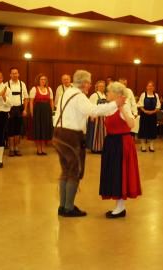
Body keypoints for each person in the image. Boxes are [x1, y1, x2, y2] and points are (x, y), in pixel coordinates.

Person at [53, 70, 125, 218]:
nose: (90, 85)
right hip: (71, 136)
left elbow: (83, 111)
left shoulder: (67, 92)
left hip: (58, 134)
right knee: (75, 171)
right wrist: (115, 104)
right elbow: (94, 109)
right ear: (84, 83)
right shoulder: (79, 96)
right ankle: (68, 208)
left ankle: (63, 206)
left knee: (66, 170)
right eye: (89, 82)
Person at [99, 82, 141, 219]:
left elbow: (132, 124)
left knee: (120, 174)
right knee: (114, 174)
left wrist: (122, 109)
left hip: (122, 143)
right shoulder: (109, 107)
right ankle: (119, 206)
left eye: (109, 92)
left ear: (116, 94)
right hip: (112, 143)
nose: (106, 94)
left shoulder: (125, 107)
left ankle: (120, 207)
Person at [29, 74, 54, 155]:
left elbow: (51, 101)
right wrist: (32, 112)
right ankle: (38, 149)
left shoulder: (49, 89)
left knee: (45, 129)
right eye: (41, 79)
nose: (43, 81)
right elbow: (31, 102)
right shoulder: (34, 89)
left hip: (47, 111)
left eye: (44, 79)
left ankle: (43, 148)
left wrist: (52, 111)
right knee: (38, 129)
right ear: (38, 80)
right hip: (37, 111)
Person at [7, 67, 28, 157]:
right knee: (10, 130)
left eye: (16, 73)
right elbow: (4, 98)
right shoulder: (6, 84)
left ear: (18, 74)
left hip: (20, 109)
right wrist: (6, 110)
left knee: (18, 130)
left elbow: (26, 97)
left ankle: (16, 148)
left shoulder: (22, 84)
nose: (15, 75)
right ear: (10, 74)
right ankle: (11, 148)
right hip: (10, 109)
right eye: (13, 73)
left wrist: (25, 109)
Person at [137, 81, 161, 152]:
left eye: (151, 86)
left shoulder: (156, 95)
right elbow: (140, 105)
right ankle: (143, 146)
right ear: (146, 87)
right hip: (144, 115)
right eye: (148, 86)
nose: (150, 87)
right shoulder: (143, 94)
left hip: (153, 115)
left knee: (152, 130)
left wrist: (153, 111)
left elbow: (158, 106)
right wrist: (145, 111)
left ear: (153, 88)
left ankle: (151, 146)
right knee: (143, 130)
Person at [86, 80, 107, 153]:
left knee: (102, 134)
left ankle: (101, 147)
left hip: (103, 117)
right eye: (100, 86)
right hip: (96, 116)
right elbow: (91, 106)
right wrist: (92, 116)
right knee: (95, 133)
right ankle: (94, 148)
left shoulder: (104, 95)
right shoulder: (94, 95)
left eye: (103, 86)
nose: (102, 88)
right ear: (97, 87)